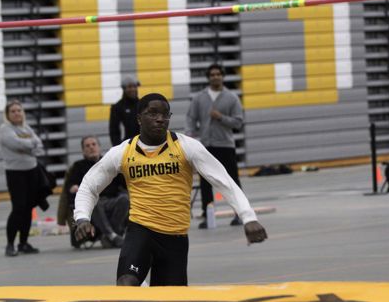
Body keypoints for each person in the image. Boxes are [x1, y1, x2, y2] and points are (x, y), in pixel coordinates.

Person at [74, 93, 267, 286]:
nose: (160, 119)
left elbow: (224, 181)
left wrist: (248, 217)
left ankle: (146, 289)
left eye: (165, 114)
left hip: (175, 237)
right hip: (140, 230)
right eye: (153, 113)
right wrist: (82, 217)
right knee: (126, 283)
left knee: (170, 299)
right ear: (139, 118)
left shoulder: (187, 147)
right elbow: (89, 185)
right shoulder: (123, 152)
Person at [185, 64, 245, 229]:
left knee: (231, 181)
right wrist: (189, 136)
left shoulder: (231, 97)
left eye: (218, 74)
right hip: (206, 146)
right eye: (212, 74)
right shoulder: (199, 98)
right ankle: (207, 215)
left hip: (225, 145)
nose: (215, 77)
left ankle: (239, 213)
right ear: (208, 77)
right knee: (205, 182)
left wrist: (221, 117)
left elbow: (238, 122)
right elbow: (190, 119)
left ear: (223, 76)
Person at [0, 100, 51, 257]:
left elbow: (39, 147)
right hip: (15, 174)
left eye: (19, 110)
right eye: (13, 111)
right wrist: (30, 145)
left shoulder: (26, 128)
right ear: (7, 115)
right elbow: (15, 144)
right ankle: (10, 244)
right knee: (18, 208)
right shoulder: (5, 129)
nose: (17, 113)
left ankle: (23, 243)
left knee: (29, 208)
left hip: (32, 171)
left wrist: (27, 146)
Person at [64, 135, 129, 248]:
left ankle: (110, 236)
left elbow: (125, 183)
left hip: (111, 202)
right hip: (94, 205)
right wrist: (73, 187)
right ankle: (112, 235)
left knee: (125, 199)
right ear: (83, 151)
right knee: (93, 200)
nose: (91, 147)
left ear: (99, 147)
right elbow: (69, 186)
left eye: (94, 144)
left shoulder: (108, 162)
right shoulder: (78, 166)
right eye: (87, 146)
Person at [109, 75, 141, 146]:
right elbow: (114, 131)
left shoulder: (142, 104)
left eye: (134, 86)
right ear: (124, 88)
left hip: (142, 144)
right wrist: (118, 147)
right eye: (129, 87)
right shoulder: (117, 107)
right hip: (126, 145)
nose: (132, 89)